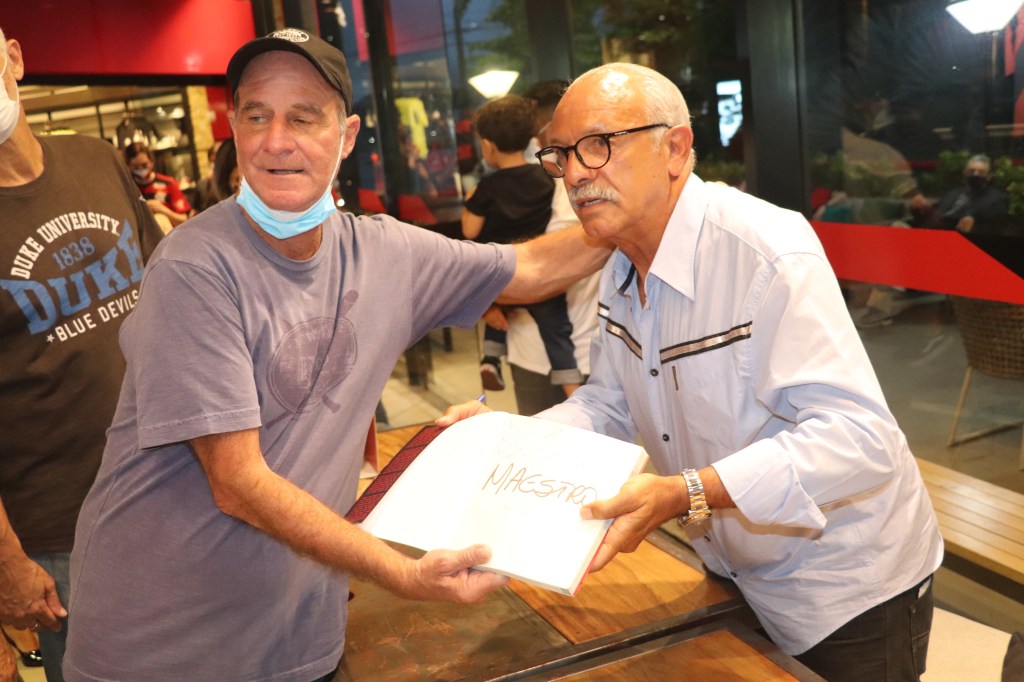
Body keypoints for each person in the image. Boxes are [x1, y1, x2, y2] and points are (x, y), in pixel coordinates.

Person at [64, 29, 609, 682]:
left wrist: (631, 212)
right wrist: (400, 571)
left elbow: (530, 267)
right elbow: (238, 484)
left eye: (303, 118)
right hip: (161, 647)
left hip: (297, 637)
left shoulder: (385, 253)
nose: (276, 140)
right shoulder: (195, 267)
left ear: (346, 136)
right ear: (234, 127)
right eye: (256, 116)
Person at [440, 63, 943, 681]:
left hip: (843, 585)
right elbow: (609, 402)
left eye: (598, 145)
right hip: (731, 565)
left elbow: (861, 439)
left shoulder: (765, 252)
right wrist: (502, 440)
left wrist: (686, 492)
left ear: (675, 148)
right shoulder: (621, 260)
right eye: (560, 154)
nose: (574, 173)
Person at [0, 25, 164, 682]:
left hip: (178, 480)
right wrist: (7, 560)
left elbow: (172, 295)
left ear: (13, 57)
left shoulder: (95, 157)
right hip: (65, 529)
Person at [462, 95, 582, 397]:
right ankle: (572, 387)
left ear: (487, 145)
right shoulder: (547, 178)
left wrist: (471, 201)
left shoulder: (487, 187)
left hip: (505, 270)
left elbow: (469, 230)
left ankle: (491, 358)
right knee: (557, 329)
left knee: (497, 312)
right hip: (541, 272)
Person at [508, 80, 600, 415]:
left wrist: (493, 290)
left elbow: (548, 267)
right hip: (531, 350)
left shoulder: (578, 177)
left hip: (587, 350)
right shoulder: (536, 175)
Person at [911, 154, 1010, 235]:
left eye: (981, 172)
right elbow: (934, 213)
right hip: (932, 234)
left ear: (989, 176)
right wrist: (921, 208)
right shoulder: (954, 193)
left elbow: (996, 224)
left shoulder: (996, 198)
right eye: (971, 171)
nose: (975, 174)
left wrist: (975, 226)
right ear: (965, 173)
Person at [123, 141, 193, 230]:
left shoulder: (168, 183)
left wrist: (162, 210)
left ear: (151, 162)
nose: (141, 169)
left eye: (144, 165)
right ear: (128, 166)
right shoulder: (127, 187)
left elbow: (186, 220)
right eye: (136, 166)